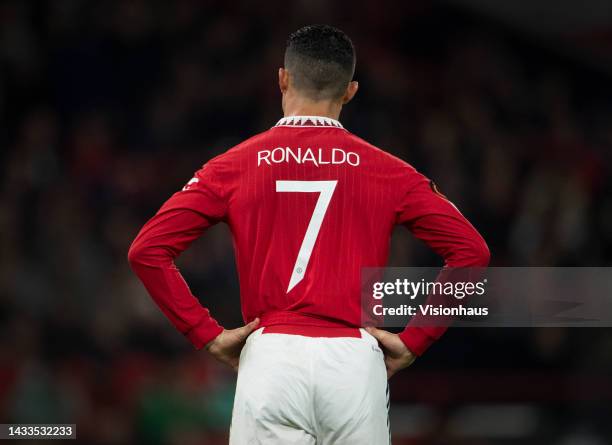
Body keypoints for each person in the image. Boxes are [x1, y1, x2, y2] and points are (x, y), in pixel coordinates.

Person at [128, 24, 489, 444]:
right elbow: (472, 252)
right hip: (354, 363)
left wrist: (204, 333)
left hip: (271, 359)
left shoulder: (233, 166)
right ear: (350, 90)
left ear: (282, 77)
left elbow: (146, 251)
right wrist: (417, 338)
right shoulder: (389, 172)